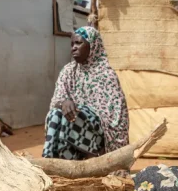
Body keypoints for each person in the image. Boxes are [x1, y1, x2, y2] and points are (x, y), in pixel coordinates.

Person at [42, 26, 129, 160]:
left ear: (93, 46)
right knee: (54, 114)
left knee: (74, 114)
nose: (73, 48)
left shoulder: (106, 75)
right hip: (73, 127)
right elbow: (56, 100)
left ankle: (89, 157)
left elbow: (117, 120)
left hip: (99, 137)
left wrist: (83, 111)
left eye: (79, 43)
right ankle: (53, 161)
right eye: (72, 44)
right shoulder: (68, 71)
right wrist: (64, 102)